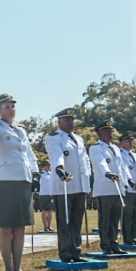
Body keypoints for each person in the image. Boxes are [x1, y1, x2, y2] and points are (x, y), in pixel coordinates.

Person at [0, 93, 39, 271]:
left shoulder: (21, 130)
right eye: (6, 106)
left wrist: (35, 172)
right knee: (6, 227)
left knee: (20, 227)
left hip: (22, 179)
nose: (10, 109)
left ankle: (18, 268)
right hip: (4, 180)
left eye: (12, 106)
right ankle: (8, 269)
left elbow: (29, 152)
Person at [45, 108, 92, 263]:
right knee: (65, 220)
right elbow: (56, 154)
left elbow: (84, 161)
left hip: (79, 185)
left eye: (72, 119)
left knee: (77, 220)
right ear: (59, 122)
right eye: (67, 120)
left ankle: (76, 252)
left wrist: (88, 181)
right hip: (64, 184)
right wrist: (59, 168)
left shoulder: (79, 139)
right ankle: (66, 253)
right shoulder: (54, 138)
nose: (71, 122)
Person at [89, 120, 133, 254]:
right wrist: (107, 173)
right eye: (107, 131)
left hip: (118, 187)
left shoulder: (115, 148)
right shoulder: (96, 147)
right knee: (105, 218)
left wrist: (128, 181)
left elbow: (122, 167)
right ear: (99, 133)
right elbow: (100, 162)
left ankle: (114, 243)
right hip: (105, 187)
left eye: (111, 130)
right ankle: (106, 245)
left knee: (115, 218)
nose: (111, 133)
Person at [119, 132, 136, 245]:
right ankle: (127, 238)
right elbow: (124, 170)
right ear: (123, 142)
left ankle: (133, 236)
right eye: (129, 141)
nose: (131, 143)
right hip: (127, 189)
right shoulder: (120, 154)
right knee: (127, 215)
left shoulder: (134, 155)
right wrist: (130, 182)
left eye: (132, 140)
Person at [38, 160, 55, 232]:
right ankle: (45, 226)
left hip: (50, 194)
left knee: (50, 211)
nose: (48, 166)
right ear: (44, 166)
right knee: (44, 211)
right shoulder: (41, 174)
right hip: (43, 194)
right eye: (47, 165)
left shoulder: (51, 174)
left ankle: (49, 226)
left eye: (49, 165)